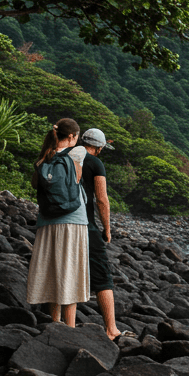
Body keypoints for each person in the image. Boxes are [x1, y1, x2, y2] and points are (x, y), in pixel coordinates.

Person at [27, 118, 90, 325]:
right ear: (72, 136)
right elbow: (77, 180)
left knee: (53, 269)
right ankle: (69, 327)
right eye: (76, 136)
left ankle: (55, 322)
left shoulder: (44, 158)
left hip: (47, 220)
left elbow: (37, 184)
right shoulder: (77, 153)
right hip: (73, 220)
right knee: (70, 270)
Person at [79, 127, 125, 339]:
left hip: (60, 222)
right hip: (85, 224)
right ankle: (111, 328)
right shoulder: (94, 162)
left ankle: (61, 323)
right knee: (102, 275)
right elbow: (101, 199)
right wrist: (106, 229)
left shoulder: (66, 157)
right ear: (98, 148)